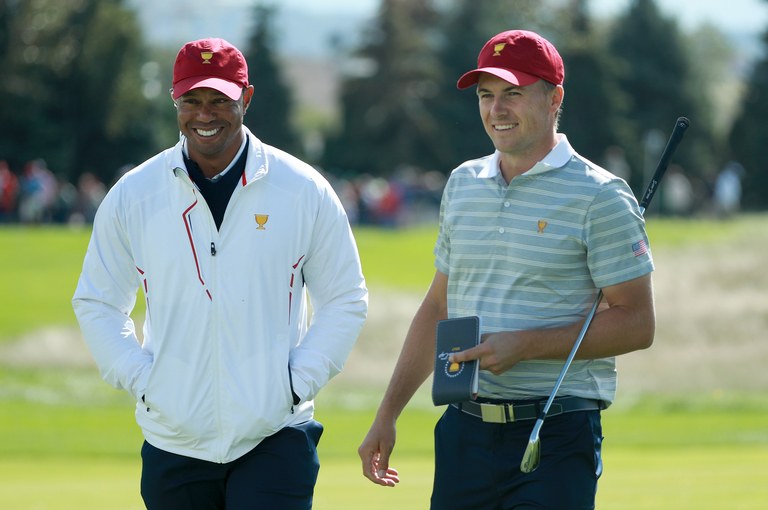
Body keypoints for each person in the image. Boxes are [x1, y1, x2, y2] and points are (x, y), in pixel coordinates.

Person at [358, 29, 655, 509]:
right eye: (486, 95)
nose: (496, 109)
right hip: (463, 431)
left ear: (554, 97)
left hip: (555, 433)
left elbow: (637, 324)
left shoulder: (601, 195)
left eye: (513, 94)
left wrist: (527, 347)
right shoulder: (462, 184)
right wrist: (387, 413)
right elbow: (438, 304)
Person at [73, 37, 368, 510]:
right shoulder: (135, 194)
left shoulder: (303, 189)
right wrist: (144, 381)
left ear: (246, 99)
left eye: (219, 101)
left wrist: (295, 384)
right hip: (174, 439)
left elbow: (346, 299)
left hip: (275, 436)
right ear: (175, 101)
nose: (204, 115)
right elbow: (98, 302)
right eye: (191, 101)